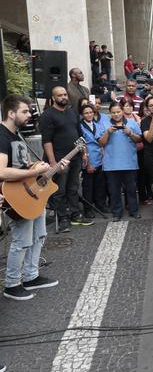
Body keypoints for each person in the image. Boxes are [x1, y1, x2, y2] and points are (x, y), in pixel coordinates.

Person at [0, 94, 61, 301]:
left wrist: (43, 169)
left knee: (39, 236)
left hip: (32, 194)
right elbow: (1, 171)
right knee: (22, 241)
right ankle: (12, 283)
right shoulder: (2, 136)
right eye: (24, 111)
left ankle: (31, 275)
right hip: (17, 197)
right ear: (11, 113)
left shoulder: (17, 135)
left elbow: (24, 167)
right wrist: (31, 173)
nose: (29, 115)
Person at [39, 86, 92, 232]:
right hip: (58, 160)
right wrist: (52, 162)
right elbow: (46, 141)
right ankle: (63, 218)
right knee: (59, 190)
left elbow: (80, 135)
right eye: (60, 95)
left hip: (75, 157)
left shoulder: (72, 112)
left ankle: (76, 215)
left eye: (65, 94)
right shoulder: (47, 115)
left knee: (73, 187)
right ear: (53, 97)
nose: (64, 97)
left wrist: (85, 153)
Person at [97, 102, 142, 221]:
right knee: (114, 191)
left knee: (131, 190)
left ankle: (134, 211)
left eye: (118, 112)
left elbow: (139, 139)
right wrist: (107, 132)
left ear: (122, 111)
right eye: (113, 112)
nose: (116, 114)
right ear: (110, 113)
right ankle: (117, 213)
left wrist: (130, 133)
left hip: (130, 163)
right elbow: (101, 143)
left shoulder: (132, 123)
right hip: (111, 164)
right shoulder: (104, 124)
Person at [79, 102, 109, 218]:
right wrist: (88, 164)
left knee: (100, 184)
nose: (89, 114)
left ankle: (100, 204)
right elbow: (82, 144)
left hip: (100, 158)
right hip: (88, 158)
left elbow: (102, 139)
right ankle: (88, 209)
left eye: (91, 112)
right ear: (82, 115)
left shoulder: (97, 124)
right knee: (88, 186)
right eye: (86, 113)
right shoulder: (80, 126)